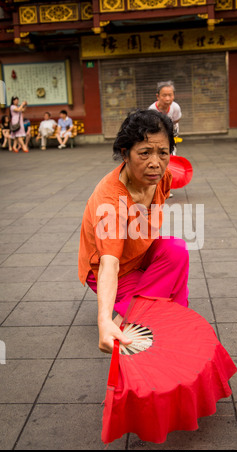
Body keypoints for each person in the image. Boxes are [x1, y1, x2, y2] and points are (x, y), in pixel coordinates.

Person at [78, 109, 189, 354]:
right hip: (111, 268)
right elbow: (109, 263)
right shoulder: (110, 202)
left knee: (177, 249)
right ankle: (120, 320)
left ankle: (173, 312)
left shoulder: (162, 177)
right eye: (145, 153)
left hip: (139, 251)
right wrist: (104, 320)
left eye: (163, 153)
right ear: (125, 154)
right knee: (153, 312)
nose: (155, 163)